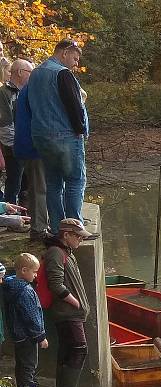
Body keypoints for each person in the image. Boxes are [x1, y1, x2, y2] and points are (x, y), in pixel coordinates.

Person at [26, 40, 89, 231]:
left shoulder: (35, 73)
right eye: (75, 58)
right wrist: (82, 130)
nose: (76, 64)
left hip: (41, 136)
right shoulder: (62, 73)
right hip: (65, 135)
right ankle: (74, 227)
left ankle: (56, 228)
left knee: (53, 183)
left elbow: (30, 105)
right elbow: (74, 106)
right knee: (75, 180)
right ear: (64, 53)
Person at [44, 218, 94, 387]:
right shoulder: (56, 253)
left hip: (72, 313)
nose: (81, 240)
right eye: (78, 236)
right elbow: (56, 284)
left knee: (67, 351)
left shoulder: (66, 252)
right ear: (66, 235)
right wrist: (76, 303)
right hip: (67, 313)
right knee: (79, 349)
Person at [3, 253, 48, 387]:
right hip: (28, 336)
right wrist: (41, 336)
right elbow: (32, 316)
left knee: (21, 365)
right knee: (30, 365)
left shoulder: (9, 286)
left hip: (17, 335)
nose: (36, 276)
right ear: (24, 270)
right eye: (34, 272)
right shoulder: (25, 291)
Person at [14, 83, 50, 240]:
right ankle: (39, 229)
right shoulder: (36, 90)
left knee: (38, 188)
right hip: (34, 147)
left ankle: (41, 225)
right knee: (38, 188)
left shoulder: (27, 91)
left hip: (29, 145)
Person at [0, 59, 33, 205]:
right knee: (14, 183)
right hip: (13, 147)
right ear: (20, 72)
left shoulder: (27, 93)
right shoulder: (4, 93)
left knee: (27, 185)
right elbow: (5, 123)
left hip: (27, 146)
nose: (32, 76)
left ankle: (25, 215)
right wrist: (17, 145)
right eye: (30, 72)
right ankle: (12, 217)